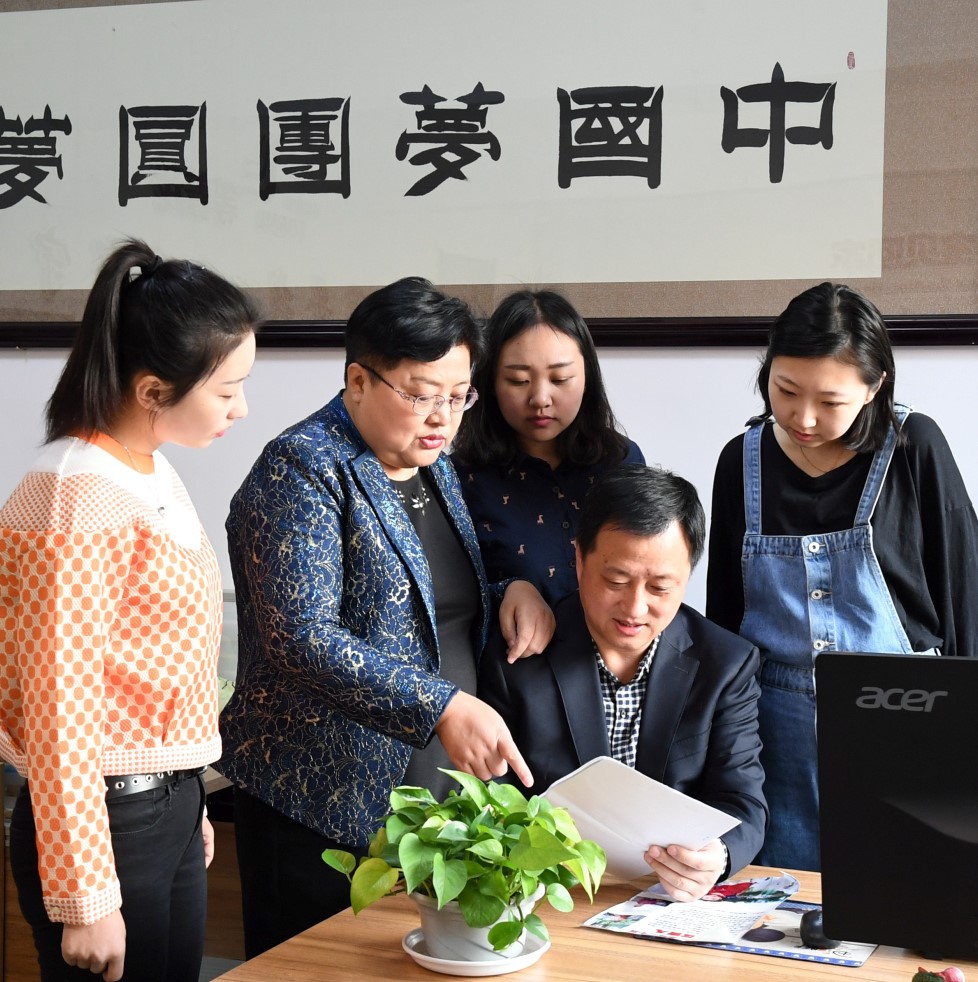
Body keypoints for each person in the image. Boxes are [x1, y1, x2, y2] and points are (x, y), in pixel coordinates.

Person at [219, 276, 555, 957]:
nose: (442, 416)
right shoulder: (302, 471)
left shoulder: (428, 461)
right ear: (358, 381)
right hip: (318, 806)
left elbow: (431, 597)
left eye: (458, 396)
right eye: (421, 394)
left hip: (426, 808)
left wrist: (510, 583)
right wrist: (442, 707)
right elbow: (300, 636)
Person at [0, 239, 259, 982]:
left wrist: (188, 801)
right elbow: (60, 706)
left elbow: (150, 665)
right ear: (151, 391)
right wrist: (84, 896)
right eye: (227, 389)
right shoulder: (77, 494)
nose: (241, 408)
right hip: (104, 824)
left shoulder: (146, 468)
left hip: (159, 808)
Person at [706, 281, 978, 872]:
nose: (803, 418)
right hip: (774, 731)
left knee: (908, 898)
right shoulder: (741, 461)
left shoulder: (913, 447)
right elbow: (724, 618)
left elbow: (965, 596)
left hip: (906, 715)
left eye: (830, 401)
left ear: (874, 385)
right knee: (781, 909)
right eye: (785, 391)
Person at [479, 465, 767, 902]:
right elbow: (489, 797)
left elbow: (743, 803)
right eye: (616, 581)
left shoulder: (725, 663)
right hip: (547, 894)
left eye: (660, 587)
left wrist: (718, 856)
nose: (635, 607)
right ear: (578, 560)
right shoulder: (521, 656)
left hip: (665, 899)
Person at [452, 289, 644, 606]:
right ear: (490, 384)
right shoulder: (459, 477)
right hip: (512, 654)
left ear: (587, 379)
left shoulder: (621, 460)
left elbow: (646, 569)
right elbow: (452, 603)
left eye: (560, 378)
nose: (540, 398)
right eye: (518, 380)